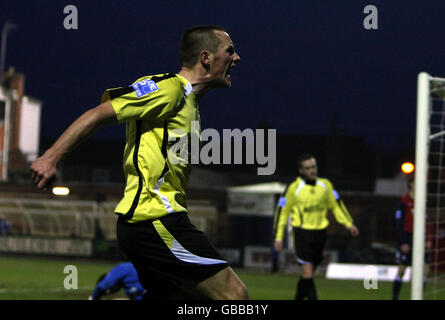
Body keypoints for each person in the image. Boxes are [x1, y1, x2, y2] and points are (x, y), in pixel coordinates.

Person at [30, 25, 247, 300]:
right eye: (230, 51)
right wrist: (51, 158)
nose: (236, 58)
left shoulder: (189, 103)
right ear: (206, 57)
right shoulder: (168, 89)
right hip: (154, 220)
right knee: (235, 297)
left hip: (152, 223)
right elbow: (99, 113)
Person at [272, 153, 359, 300]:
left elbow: (337, 206)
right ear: (301, 170)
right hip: (301, 233)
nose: (312, 170)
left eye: (313, 167)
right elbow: (282, 212)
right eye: (308, 168)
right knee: (308, 272)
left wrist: (349, 224)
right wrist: (278, 236)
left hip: (320, 234)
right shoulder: (293, 188)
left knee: (308, 273)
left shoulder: (326, 185)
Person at [392, 177, 432, 300]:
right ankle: (395, 297)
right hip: (407, 238)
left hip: (420, 237)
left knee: (426, 269)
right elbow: (398, 223)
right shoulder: (403, 201)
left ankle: (420, 296)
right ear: (410, 184)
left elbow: (426, 221)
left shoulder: (422, 201)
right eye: (415, 182)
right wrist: (403, 241)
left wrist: (428, 238)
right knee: (402, 270)